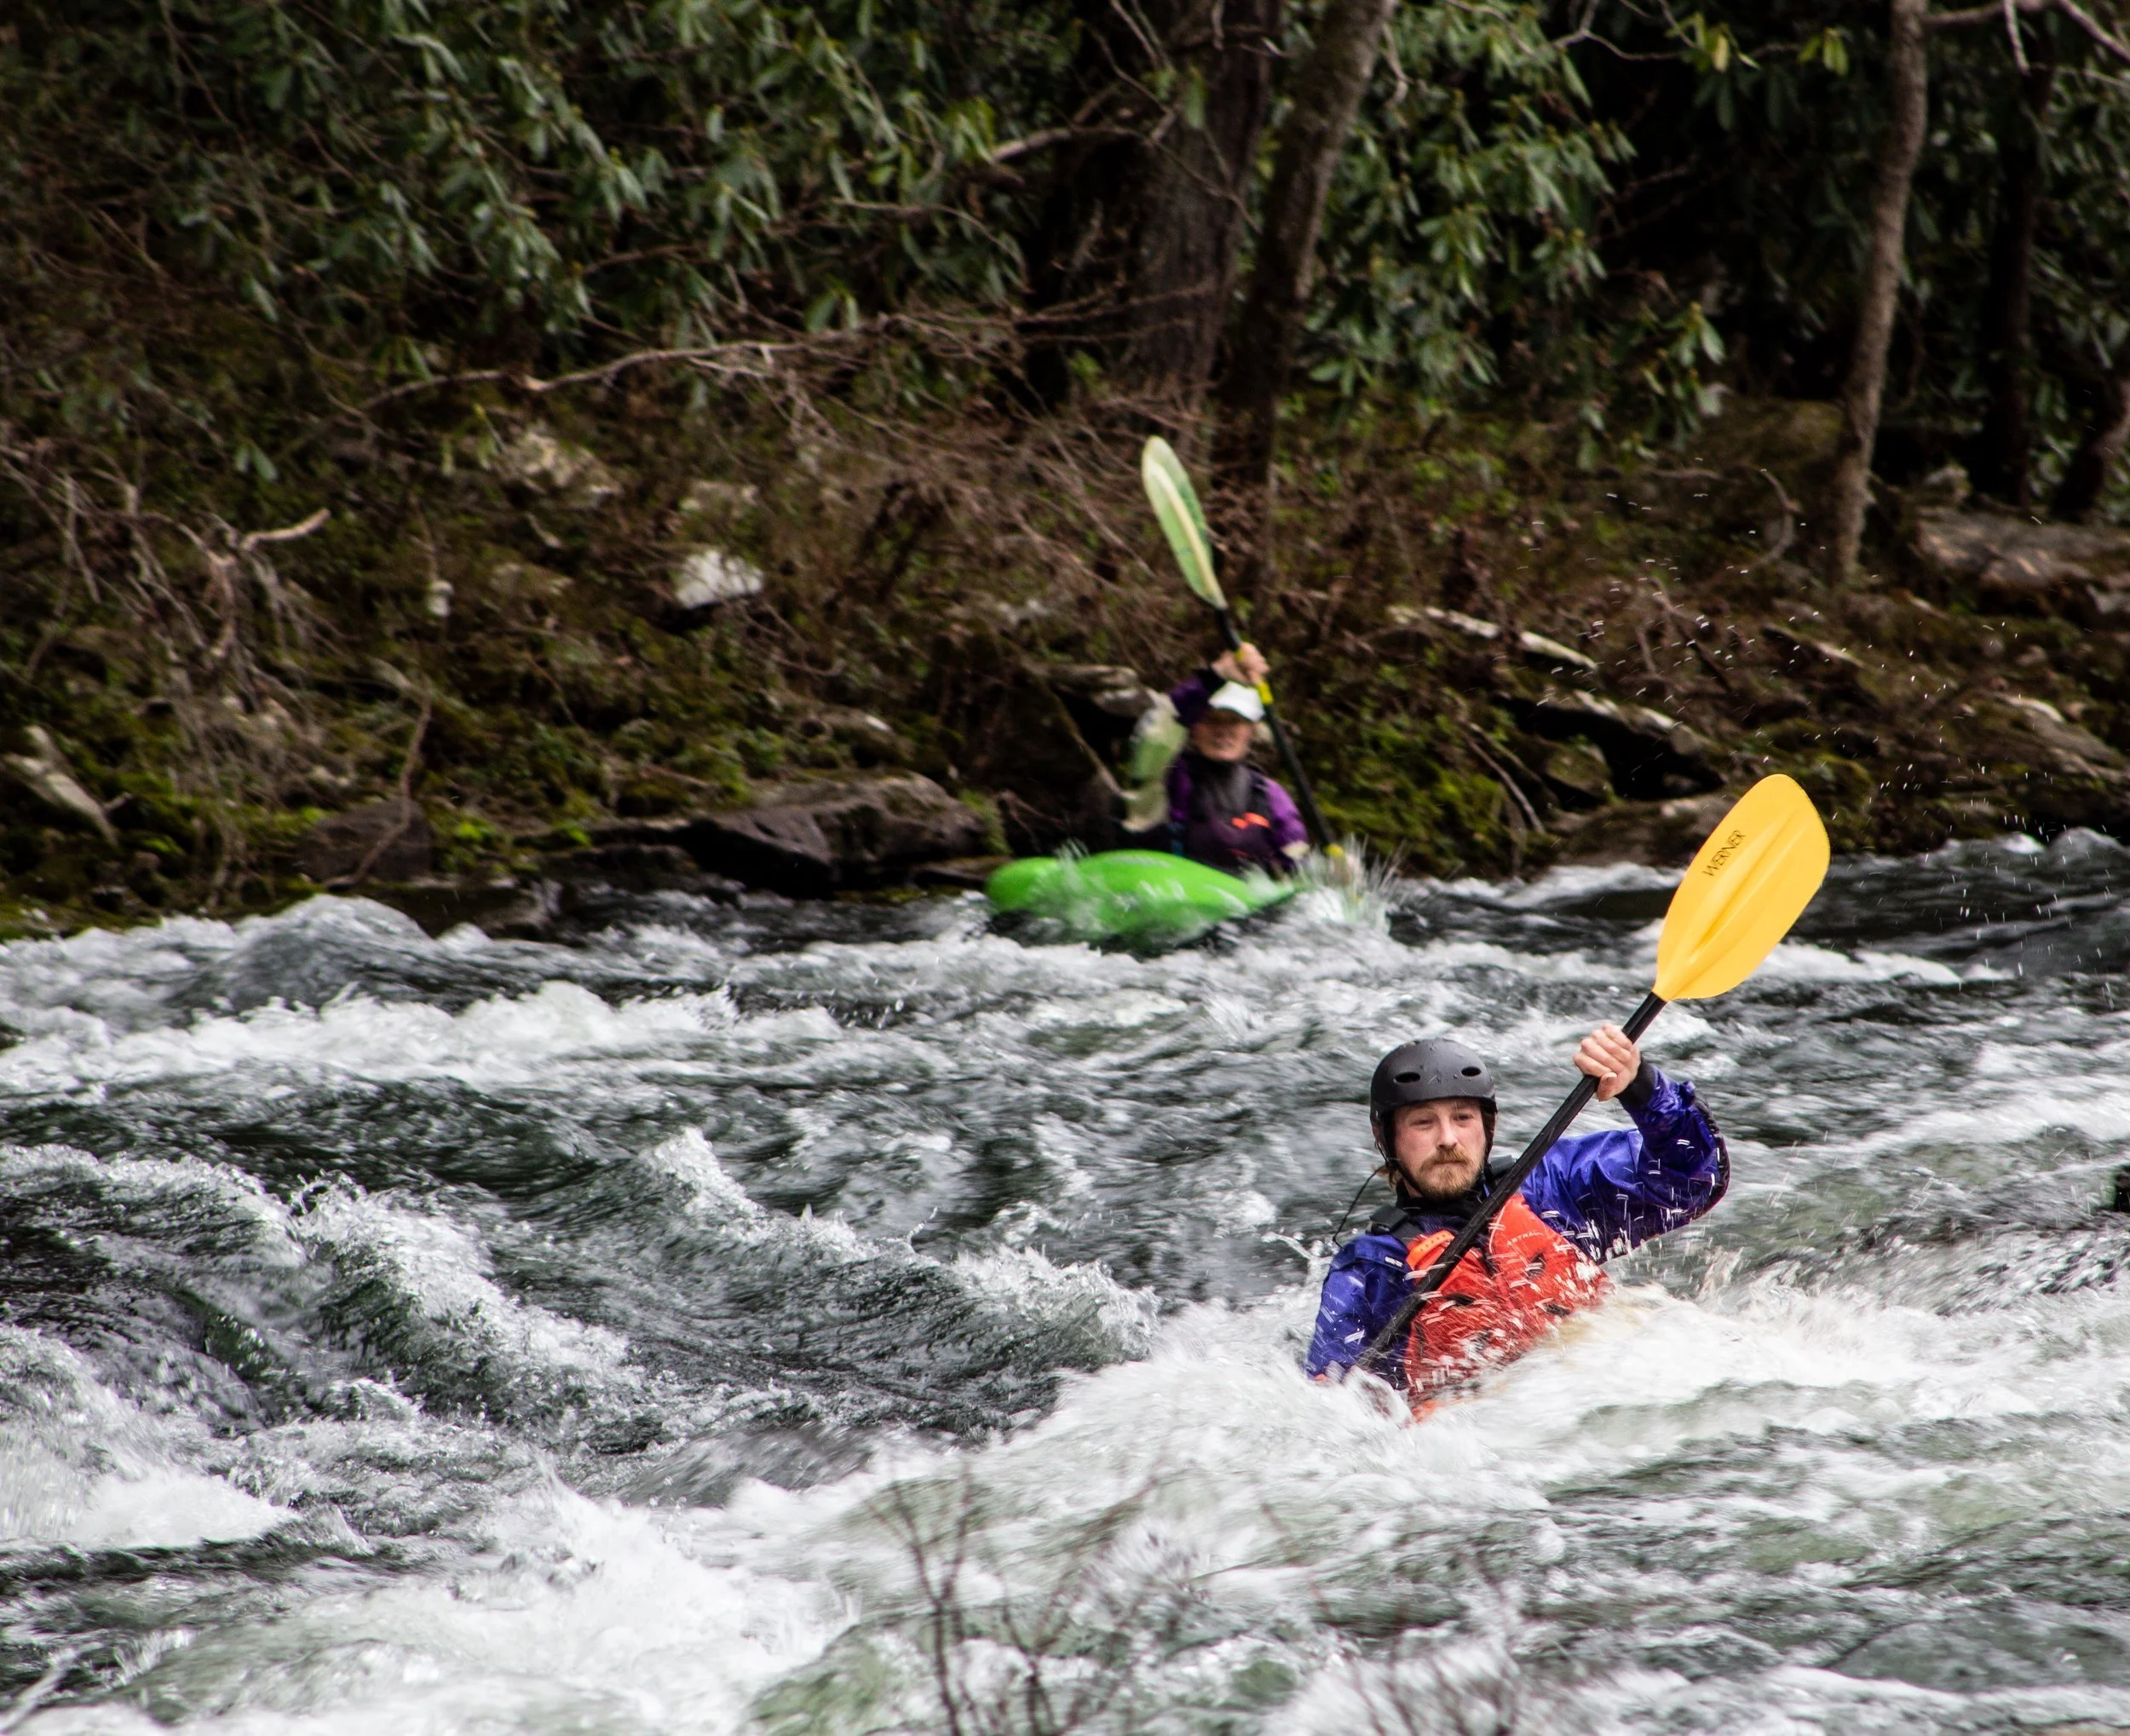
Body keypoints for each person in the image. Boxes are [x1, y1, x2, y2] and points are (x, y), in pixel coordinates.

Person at [1304, 1024, 1726, 1410]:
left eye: (1463, 1118)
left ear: (1488, 1126)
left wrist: (1642, 1087)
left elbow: (1692, 1178)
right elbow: (1334, 1408)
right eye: (1423, 1123)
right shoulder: (1372, 1268)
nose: (1448, 1139)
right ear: (1388, 1137)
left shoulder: (1553, 1187)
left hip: (1614, 1396)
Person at [1125, 643, 1310, 877]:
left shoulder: (1270, 796)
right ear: (1194, 727)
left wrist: (1331, 877)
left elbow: (1298, 865)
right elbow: (1159, 728)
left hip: (1242, 909)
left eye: (1234, 720)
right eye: (1212, 719)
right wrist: (1214, 677)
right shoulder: (1166, 775)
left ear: (1251, 730)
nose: (1223, 730)